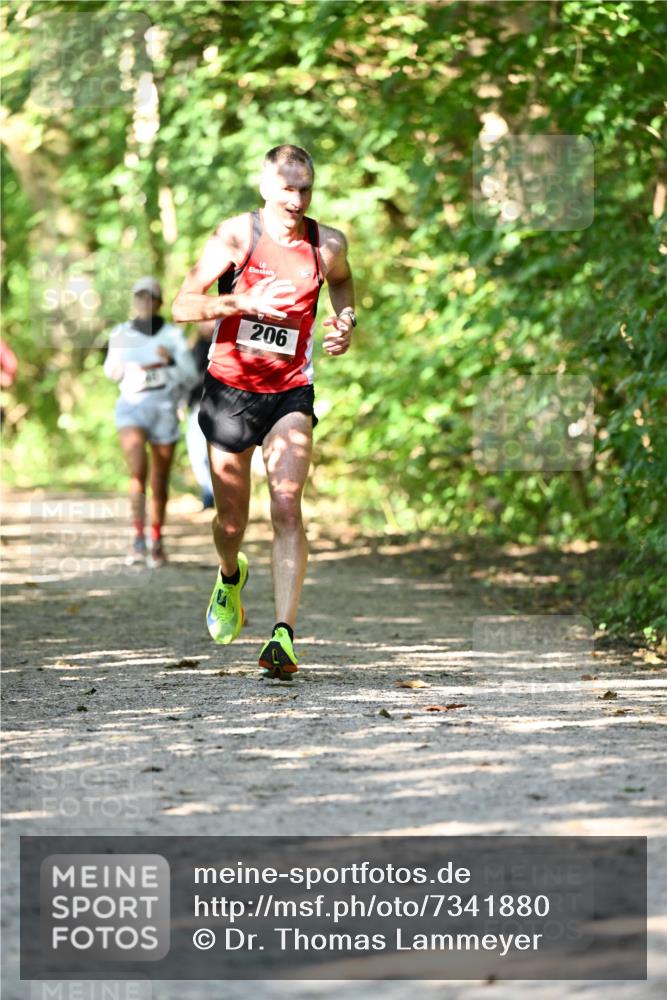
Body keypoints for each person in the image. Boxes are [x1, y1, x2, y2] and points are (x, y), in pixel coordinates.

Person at [172, 144, 356, 678]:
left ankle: (283, 636)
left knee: (286, 505)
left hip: (289, 393)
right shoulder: (238, 236)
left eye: (305, 189)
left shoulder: (327, 245)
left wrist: (345, 321)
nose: (296, 199)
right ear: (265, 188)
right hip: (230, 390)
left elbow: (342, 284)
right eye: (286, 188)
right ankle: (230, 576)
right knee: (231, 523)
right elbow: (184, 303)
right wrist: (236, 303)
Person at [104, 277, 197, 568]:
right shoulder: (120, 333)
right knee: (137, 473)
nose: (144, 302)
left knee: (159, 479)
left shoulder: (172, 335)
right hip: (132, 408)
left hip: (164, 408)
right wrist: (122, 360)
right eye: (139, 297)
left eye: (150, 297)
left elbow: (191, 376)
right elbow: (111, 373)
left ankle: (156, 539)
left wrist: (170, 361)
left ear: (158, 301)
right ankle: (137, 538)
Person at [185, 320, 215, 510]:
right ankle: (208, 492)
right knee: (197, 454)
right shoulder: (193, 347)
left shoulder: (222, 345)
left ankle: (213, 494)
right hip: (196, 406)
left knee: (213, 454)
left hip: (217, 407)